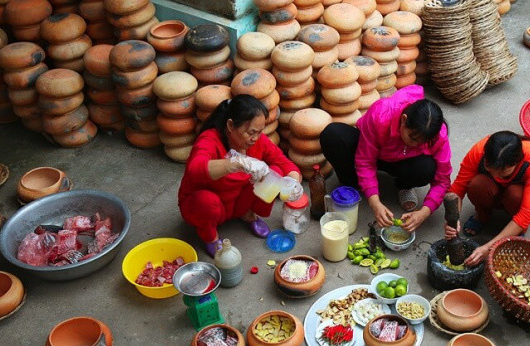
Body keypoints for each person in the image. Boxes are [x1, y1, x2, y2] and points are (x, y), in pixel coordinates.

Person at [179, 95, 301, 256]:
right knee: (206, 201)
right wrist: (235, 163)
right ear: (230, 125)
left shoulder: (257, 140)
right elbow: (194, 169)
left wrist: (293, 181)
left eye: (259, 132)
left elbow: (284, 163)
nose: (255, 138)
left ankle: (247, 214)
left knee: (275, 172)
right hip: (209, 205)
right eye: (250, 132)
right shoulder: (209, 139)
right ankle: (210, 237)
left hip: (237, 201)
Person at [320, 84, 452, 232]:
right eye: (413, 138)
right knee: (333, 135)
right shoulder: (381, 114)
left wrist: (424, 212)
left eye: (422, 142)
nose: (416, 144)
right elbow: (365, 161)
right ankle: (353, 183)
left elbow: (442, 180)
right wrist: (375, 202)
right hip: (374, 151)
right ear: (404, 120)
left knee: (427, 167)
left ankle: (404, 185)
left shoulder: (437, 135)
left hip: (404, 162)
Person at [444, 131, 530, 266]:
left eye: (503, 172)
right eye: (489, 168)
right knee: (477, 185)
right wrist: (453, 220)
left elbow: (526, 213)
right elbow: (458, 189)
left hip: (519, 195)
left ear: (517, 162)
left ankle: (517, 231)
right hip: (493, 189)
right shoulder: (479, 150)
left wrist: (488, 247)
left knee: (515, 195)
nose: (495, 176)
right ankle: (482, 216)